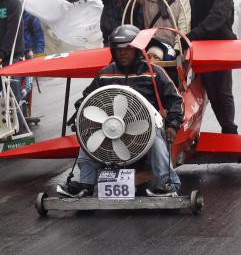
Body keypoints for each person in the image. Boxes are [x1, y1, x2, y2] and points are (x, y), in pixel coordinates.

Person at [66, 25, 184, 197]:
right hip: (112, 129)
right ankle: (85, 184)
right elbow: (86, 100)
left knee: (157, 141)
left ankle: (168, 184)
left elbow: (176, 100)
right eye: (118, 49)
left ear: (136, 49)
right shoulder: (104, 74)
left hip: (145, 130)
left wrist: (173, 125)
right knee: (88, 142)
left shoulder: (154, 73)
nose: (122, 53)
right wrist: (79, 118)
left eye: (127, 48)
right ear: (113, 51)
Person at [184, 0, 238, 134]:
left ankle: (229, 131)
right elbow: (183, 15)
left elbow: (218, 17)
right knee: (197, 92)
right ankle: (190, 135)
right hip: (197, 48)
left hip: (220, 47)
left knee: (221, 93)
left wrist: (193, 34)